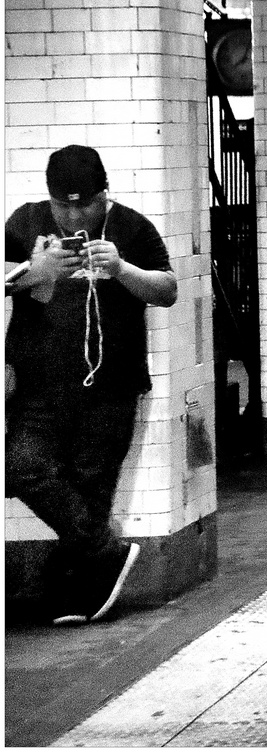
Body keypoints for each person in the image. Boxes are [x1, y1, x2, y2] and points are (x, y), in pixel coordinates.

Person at [5, 145, 177, 625]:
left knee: (90, 487)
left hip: (111, 386)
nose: (75, 214)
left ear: (105, 193)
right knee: (19, 466)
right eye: (64, 205)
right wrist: (32, 275)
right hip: (37, 386)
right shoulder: (25, 222)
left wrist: (122, 269)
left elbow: (168, 290)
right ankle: (105, 553)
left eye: (86, 204)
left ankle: (81, 593)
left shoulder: (132, 227)